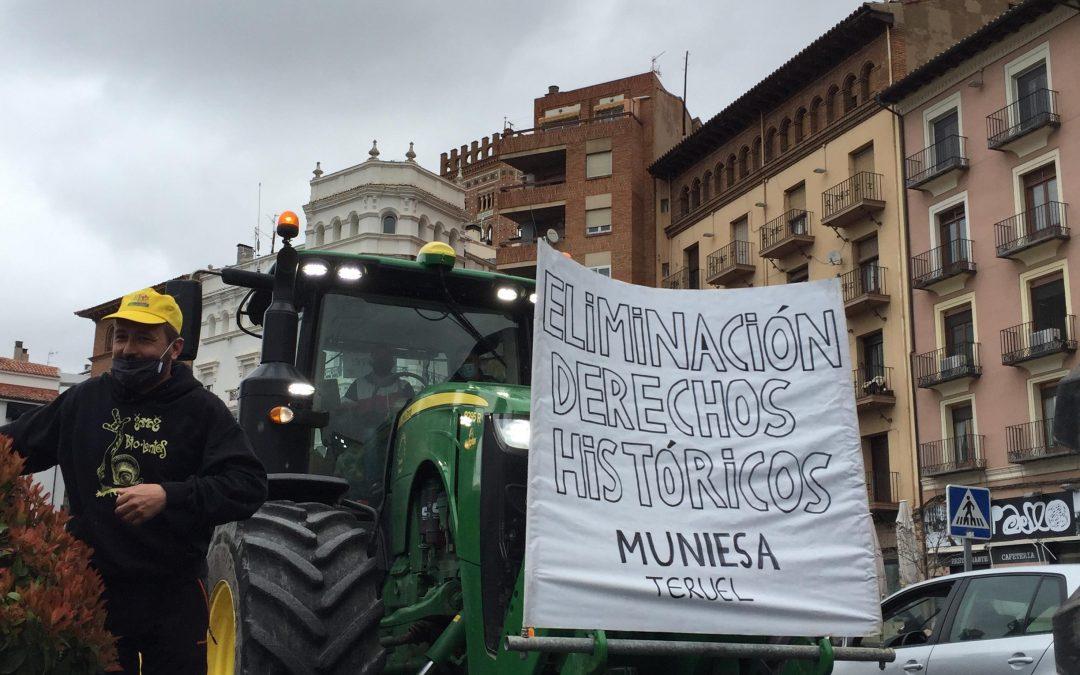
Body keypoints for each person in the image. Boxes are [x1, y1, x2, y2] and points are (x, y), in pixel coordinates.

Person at [0, 288, 268, 674]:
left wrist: (169, 495)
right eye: (121, 337)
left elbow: (248, 485)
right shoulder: (82, 401)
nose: (128, 349)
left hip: (172, 597)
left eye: (144, 339)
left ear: (174, 349)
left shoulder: (202, 410)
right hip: (91, 590)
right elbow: (13, 449)